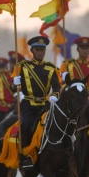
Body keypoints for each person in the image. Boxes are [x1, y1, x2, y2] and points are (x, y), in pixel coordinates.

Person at [12, 36, 61, 169]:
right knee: (24, 125)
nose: (40, 52)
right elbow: (13, 88)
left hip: (45, 105)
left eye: (42, 50)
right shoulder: (22, 66)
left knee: (59, 125)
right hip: (28, 105)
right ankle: (25, 156)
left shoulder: (51, 68)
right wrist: (14, 83)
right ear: (32, 50)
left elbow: (57, 86)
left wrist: (55, 95)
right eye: (38, 50)